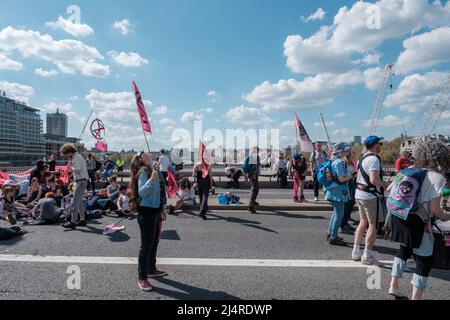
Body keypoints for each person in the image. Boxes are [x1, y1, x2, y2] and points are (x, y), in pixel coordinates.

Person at [388, 140, 450, 300]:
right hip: (419, 222)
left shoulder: (410, 169)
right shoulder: (437, 177)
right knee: (424, 260)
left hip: (401, 215)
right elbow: (436, 210)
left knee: (404, 249)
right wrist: (446, 216)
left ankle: (393, 286)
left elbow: (390, 188)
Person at [129, 152, 168, 292]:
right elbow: (142, 192)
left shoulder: (154, 170)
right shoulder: (143, 172)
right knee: (146, 246)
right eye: (142, 154)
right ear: (140, 160)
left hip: (156, 211)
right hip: (146, 213)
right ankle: (142, 277)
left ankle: (151, 268)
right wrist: (151, 179)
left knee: (154, 242)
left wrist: (163, 207)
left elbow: (162, 190)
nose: (147, 154)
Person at [353, 136, 390, 265]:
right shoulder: (374, 159)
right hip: (370, 196)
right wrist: (385, 185)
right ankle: (367, 255)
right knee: (373, 225)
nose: (381, 145)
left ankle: (356, 251)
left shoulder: (362, 158)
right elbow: (374, 180)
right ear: (375, 145)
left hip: (359, 194)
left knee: (362, 222)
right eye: (380, 143)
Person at [324, 143, 354, 246]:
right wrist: (351, 176)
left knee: (335, 213)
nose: (346, 153)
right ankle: (333, 236)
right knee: (339, 214)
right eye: (345, 151)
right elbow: (342, 178)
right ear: (340, 152)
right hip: (338, 193)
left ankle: (330, 233)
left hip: (331, 191)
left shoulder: (331, 161)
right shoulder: (339, 162)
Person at [60, 143, 89, 229]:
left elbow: (77, 171)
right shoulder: (76, 157)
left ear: (69, 152)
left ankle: (73, 222)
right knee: (78, 201)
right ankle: (82, 220)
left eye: (65, 154)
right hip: (80, 181)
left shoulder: (77, 157)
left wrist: (70, 167)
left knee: (75, 202)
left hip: (80, 181)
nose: (66, 156)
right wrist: (71, 165)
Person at [243, 147, 270, 214]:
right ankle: (250, 206)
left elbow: (260, 163)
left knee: (256, 188)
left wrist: (267, 156)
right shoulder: (254, 157)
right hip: (253, 175)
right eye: (258, 150)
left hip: (253, 175)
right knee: (254, 189)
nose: (258, 151)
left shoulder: (252, 156)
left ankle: (253, 202)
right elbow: (262, 163)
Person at [341, 148, 358, 234]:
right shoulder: (344, 162)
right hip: (346, 185)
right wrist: (352, 175)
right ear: (348, 154)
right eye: (352, 152)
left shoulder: (351, 162)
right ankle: (342, 225)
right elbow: (342, 175)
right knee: (346, 205)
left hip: (351, 184)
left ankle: (346, 223)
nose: (354, 154)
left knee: (351, 204)